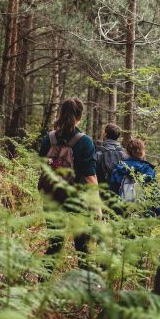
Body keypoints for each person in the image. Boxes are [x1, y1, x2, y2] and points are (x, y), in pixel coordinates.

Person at [38, 98, 98, 265]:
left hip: (51, 197)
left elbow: (43, 166)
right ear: (80, 116)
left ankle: (41, 286)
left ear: (61, 113)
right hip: (77, 201)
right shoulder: (85, 141)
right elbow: (90, 176)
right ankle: (84, 287)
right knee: (82, 247)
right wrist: (97, 206)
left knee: (55, 244)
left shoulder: (48, 139)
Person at [109, 138, 160, 217]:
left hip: (121, 214)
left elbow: (112, 195)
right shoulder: (148, 170)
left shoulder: (118, 169)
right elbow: (154, 194)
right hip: (143, 214)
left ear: (127, 152)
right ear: (142, 152)